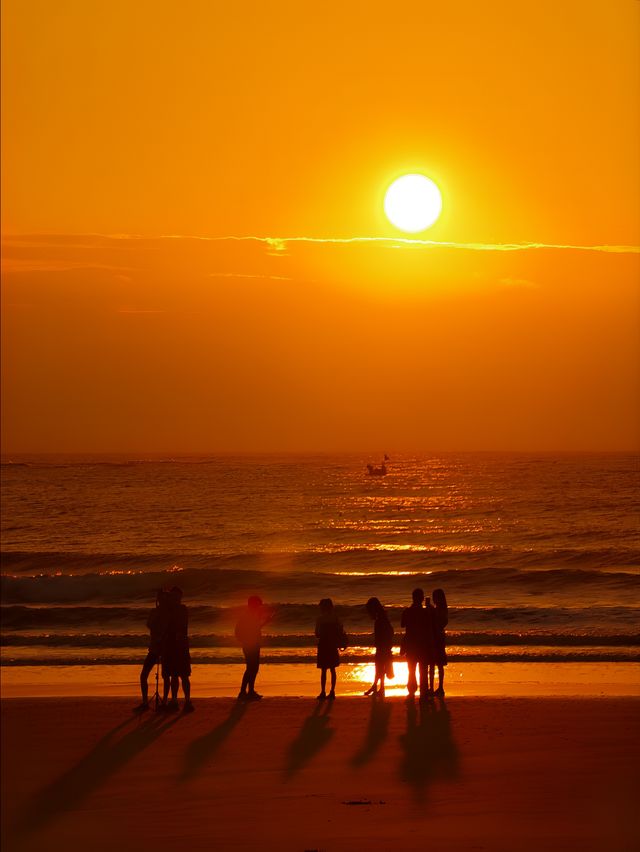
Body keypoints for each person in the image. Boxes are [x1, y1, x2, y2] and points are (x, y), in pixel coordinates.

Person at [134, 588, 171, 712]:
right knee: (144, 674)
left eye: (163, 598)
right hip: (154, 647)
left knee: (165, 675)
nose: (161, 601)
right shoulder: (154, 612)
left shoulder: (168, 613)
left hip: (165, 648)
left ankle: (165, 701)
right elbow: (149, 624)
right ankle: (145, 702)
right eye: (159, 599)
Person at [235, 595, 274, 701]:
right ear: (252, 604)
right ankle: (243, 692)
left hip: (254, 644)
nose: (259, 607)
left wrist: (266, 622)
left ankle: (250, 691)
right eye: (258, 605)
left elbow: (256, 628)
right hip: (249, 645)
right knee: (251, 668)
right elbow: (237, 631)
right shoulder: (246, 616)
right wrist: (245, 641)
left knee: (254, 668)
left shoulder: (252, 615)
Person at [162, 586, 193, 712]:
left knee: (184, 675)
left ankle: (187, 701)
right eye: (173, 597)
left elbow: (180, 625)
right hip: (171, 646)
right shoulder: (168, 610)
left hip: (181, 646)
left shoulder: (182, 609)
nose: (175, 599)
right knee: (174, 675)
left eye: (177, 597)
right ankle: (174, 700)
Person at [315, 598, 348, 700]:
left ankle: (323, 692)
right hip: (332, 645)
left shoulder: (320, 619)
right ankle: (332, 691)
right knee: (333, 669)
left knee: (323, 670)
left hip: (323, 645)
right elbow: (341, 631)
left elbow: (317, 634)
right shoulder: (336, 618)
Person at [401, 588, 429, 699]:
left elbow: (403, 624)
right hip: (422, 643)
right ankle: (423, 692)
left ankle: (411, 690)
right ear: (422, 598)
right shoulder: (424, 612)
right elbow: (428, 627)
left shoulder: (407, 611)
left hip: (410, 643)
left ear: (413, 598)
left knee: (411, 669)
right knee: (422, 669)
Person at [364, 597, 394, 698]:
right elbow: (391, 631)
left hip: (383, 647)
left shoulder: (380, 619)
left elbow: (388, 632)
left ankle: (379, 688)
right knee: (380, 667)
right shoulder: (382, 617)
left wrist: (384, 645)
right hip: (384, 646)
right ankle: (378, 687)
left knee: (380, 667)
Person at [431, 588, 448, 696]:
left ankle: (439, 687)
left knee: (437, 663)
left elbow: (442, 623)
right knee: (434, 663)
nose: (434, 599)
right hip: (436, 636)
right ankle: (434, 687)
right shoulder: (439, 609)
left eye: (435, 597)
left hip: (438, 637)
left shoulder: (441, 610)